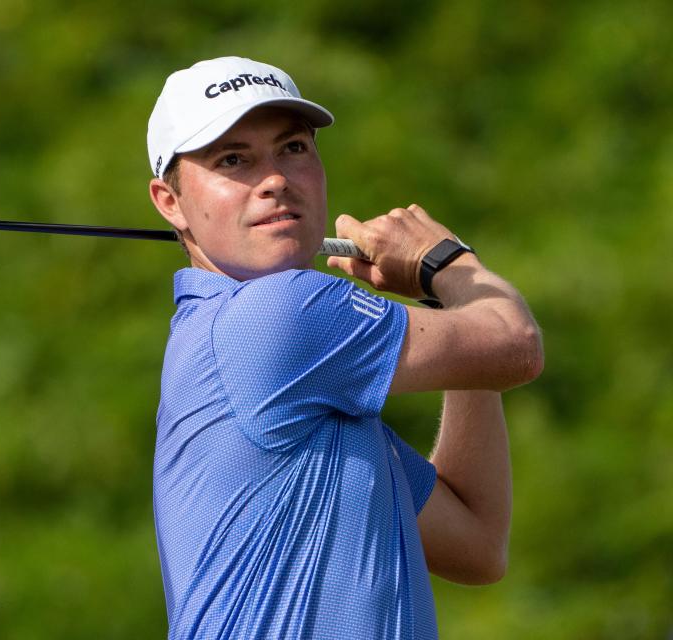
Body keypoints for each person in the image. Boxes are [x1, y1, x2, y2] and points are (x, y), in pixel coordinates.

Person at [145, 56, 543, 639]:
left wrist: (443, 304)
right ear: (170, 202)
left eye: (294, 148)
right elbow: (516, 346)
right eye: (233, 159)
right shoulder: (276, 313)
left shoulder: (307, 382)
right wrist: (448, 263)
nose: (275, 178)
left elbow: (479, 546)